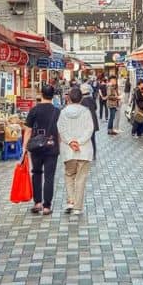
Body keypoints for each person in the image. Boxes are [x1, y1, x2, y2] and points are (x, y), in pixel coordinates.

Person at [22, 84, 61, 215]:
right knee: (49, 177)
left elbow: (27, 131)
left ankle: (37, 203)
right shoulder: (57, 111)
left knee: (36, 173)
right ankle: (47, 207)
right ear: (53, 95)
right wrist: (59, 145)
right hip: (52, 147)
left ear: (41, 94)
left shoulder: (34, 110)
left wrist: (24, 148)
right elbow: (60, 132)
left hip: (36, 148)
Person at [57, 87, 95, 215]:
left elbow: (61, 129)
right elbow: (90, 129)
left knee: (69, 175)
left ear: (68, 98)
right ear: (81, 98)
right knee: (81, 178)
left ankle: (71, 201)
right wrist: (79, 142)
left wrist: (70, 142)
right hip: (84, 150)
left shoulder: (63, 112)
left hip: (68, 151)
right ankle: (77, 207)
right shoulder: (86, 112)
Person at [79, 83, 99, 158]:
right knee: (92, 139)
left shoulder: (82, 101)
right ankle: (93, 154)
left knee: (85, 139)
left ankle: (87, 154)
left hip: (86, 123)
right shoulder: (91, 99)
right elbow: (96, 108)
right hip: (93, 122)